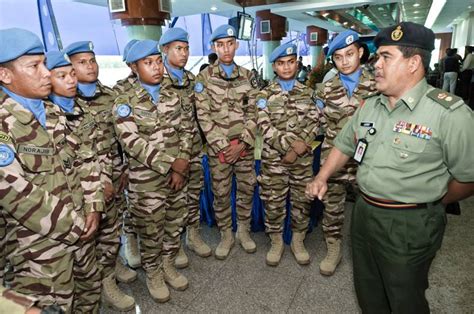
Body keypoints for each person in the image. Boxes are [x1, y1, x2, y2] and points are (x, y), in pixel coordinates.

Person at [306, 22, 474, 313]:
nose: (376, 65)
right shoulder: (371, 105)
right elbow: (345, 144)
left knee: (405, 296)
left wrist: (430, 200)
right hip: (364, 212)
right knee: (368, 291)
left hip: (410, 224)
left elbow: (468, 178)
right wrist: (321, 176)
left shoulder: (450, 114)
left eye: (386, 57)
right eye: (377, 57)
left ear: (413, 63)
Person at [0, 28, 86, 312]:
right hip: (36, 249)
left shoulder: (51, 110)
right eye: (34, 66)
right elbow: (17, 194)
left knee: (85, 296)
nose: (46, 73)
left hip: (79, 226)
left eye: (44, 64)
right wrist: (77, 225)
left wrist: (92, 207)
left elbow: (79, 159)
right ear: (5, 75)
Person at [113, 39, 194, 301]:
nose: (156, 67)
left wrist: (181, 166)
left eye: (158, 61)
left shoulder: (172, 94)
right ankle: (153, 272)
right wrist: (172, 163)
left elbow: (187, 130)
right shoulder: (124, 102)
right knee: (151, 231)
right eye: (148, 63)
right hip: (146, 182)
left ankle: (168, 263)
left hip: (177, 177)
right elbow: (132, 143)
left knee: (174, 224)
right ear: (134, 67)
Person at [64, 41, 134, 311]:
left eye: (92, 60)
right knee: (91, 233)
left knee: (112, 227)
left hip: (115, 170)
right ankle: (104, 281)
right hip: (87, 181)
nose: (90, 66)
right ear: (69, 68)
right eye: (81, 62)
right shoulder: (65, 102)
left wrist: (124, 167)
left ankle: (111, 265)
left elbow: (122, 135)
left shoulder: (109, 95)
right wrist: (100, 181)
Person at [45, 50, 105, 313]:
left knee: (89, 281)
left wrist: (94, 203)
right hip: (55, 219)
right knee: (60, 296)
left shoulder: (80, 109)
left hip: (86, 206)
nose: (71, 80)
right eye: (62, 75)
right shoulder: (40, 119)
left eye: (72, 74)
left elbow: (93, 154)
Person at [313, 30, 377, 276]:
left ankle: (371, 250)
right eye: (338, 57)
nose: (345, 61)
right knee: (332, 207)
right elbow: (314, 121)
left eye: (349, 54)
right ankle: (333, 247)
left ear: (360, 52)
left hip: (368, 159)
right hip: (334, 158)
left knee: (371, 208)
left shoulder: (378, 85)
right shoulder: (325, 90)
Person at [195, 24, 258, 260]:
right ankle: (226, 234)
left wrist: (241, 144)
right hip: (218, 149)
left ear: (236, 45)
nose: (226, 49)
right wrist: (223, 146)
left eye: (230, 44)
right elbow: (203, 115)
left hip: (244, 147)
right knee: (221, 193)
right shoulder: (204, 78)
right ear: (214, 47)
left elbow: (254, 113)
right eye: (220, 45)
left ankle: (243, 230)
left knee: (246, 189)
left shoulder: (248, 76)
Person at [256, 42, 320, 266]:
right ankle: (275, 240)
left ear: (297, 63)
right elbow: (264, 126)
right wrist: (289, 148)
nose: (286, 67)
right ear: (274, 66)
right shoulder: (264, 95)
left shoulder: (308, 93)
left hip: (302, 161)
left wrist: (298, 149)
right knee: (273, 200)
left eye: (290, 62)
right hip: (274, 160)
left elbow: (314, 121)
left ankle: (298, 239)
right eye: (281, 63)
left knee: (302, 200)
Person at [159, 28, 212, 269]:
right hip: (167, 156)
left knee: (193, 195)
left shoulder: (192, 80)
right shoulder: (157, 81)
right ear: (165, 50)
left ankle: (193, 234)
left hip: (193, 151)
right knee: (172, 201)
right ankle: (175, 243)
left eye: (186, 48)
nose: (184, 53)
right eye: (178, 49)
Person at [113, 39, 142, 269]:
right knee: (129, 205)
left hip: (157, 158)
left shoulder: (163, 85)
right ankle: (130, 240)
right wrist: (120, 166)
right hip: (129, 158)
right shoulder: (120, 90)